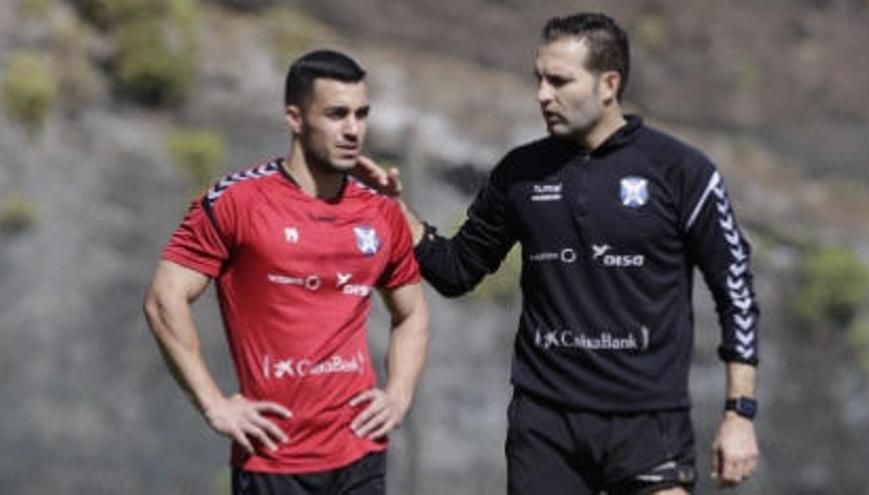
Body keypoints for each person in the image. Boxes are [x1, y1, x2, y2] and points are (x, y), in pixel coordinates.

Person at [356, 12, 759, 495]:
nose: (542, 94)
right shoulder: (519, 173)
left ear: (608, 84)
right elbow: (456, 270)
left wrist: (740, 413)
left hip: (647, 426)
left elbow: (735, 293)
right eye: (538, 79)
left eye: (559, 80)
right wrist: (391, 208)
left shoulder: (681, 171)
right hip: (544, 428)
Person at [143, 49, 429, 495]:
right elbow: (164, 299)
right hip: (273, 460)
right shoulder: (237, 202)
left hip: (361, 455)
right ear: (295, 118)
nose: (352, 129)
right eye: (336, 114)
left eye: (361, 114)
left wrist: (398, 395)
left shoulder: (379, 210)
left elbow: (412, 315)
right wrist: (214, 404)